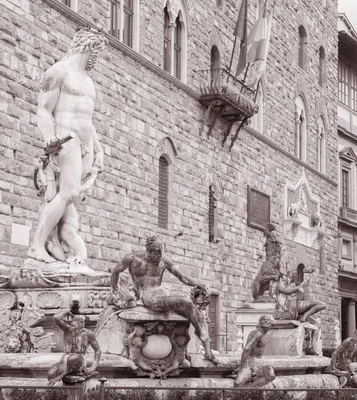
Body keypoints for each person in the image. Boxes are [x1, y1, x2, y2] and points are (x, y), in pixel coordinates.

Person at [28, 28, 108, 265]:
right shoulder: (59, 71)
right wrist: (49, 138)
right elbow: (43, 110)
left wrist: (99, 150)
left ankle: (56, 245)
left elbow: (88, 120)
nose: (97, 58)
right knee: (69, 192)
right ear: (90, 47)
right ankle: (36, 246)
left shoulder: (88, 80)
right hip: (66, 138)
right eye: (97, 51)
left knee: (72, 199)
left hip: (85, 146)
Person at [110, 237, 218, 364]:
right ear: (148, 251)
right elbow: (115, 272)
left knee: (198, 313)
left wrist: (202, 284)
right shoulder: (132, 259)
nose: (160, 255)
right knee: (187, 302)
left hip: (163, 295)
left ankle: (208, 352)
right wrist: (114, 291)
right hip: (149, 297)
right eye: (156, 252)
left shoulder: (164, 261)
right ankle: (201, 334)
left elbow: (183, 277)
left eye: (161, 251)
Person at [47, 299, 101, 385]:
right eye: (71, 324)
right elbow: (56, 318)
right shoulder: (68, 330)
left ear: (81, 325)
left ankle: (61, 376)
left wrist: (93, 367)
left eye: (74, 325)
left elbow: (97, 350)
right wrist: (68, 312)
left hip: (79, 359)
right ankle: (58, 379)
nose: (72, 327)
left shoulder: (88, 334)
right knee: (51, 373)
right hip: (65, 359)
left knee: (72, 359)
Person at [234, 315, 275, 387]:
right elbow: (246, 349)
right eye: (263, 319)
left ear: (270, 324)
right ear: (259, 323)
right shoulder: (258, 334)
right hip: (251, 362)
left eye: (268, 320)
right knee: (238, 383)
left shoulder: (262, 334)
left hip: (259, 363)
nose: (265, 321)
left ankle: (249, 389)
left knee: (270, 374)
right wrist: (242, 365)